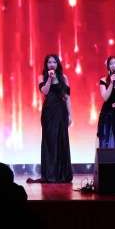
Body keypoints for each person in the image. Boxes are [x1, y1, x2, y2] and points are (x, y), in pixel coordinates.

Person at [31, 54, 72, 183]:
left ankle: (62, 174)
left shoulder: (64, 78)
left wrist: (70, 114)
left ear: (57, 64)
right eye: (49, 62)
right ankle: (50, 174)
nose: (52, 64)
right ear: (46, 65)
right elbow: (45, 91)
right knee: (50, 141)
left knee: (61, 141)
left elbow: (67, 97)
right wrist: (49, 78)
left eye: (54, 62)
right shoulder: (41, 77)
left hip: (61, 112)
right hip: (49, 112)